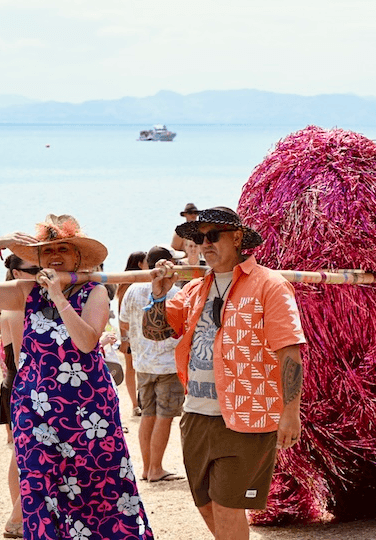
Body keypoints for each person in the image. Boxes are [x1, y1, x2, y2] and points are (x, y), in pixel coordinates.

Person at [0, 214, 152, 539]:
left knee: (99, 490)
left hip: (89, 413)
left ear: (78, 256)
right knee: (40, 491)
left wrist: (58, 295)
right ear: (40, 258)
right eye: (49, 249)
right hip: (35, 413)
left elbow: (86, 341)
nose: (56, 255)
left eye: (64, 249)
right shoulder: (26, 291)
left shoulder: (95, 292)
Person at [142, 206, 305, 540]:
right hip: (196, 416)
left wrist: (291, 412)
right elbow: (154, 331)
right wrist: (158, 295)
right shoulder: (194, 290)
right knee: (206, 505)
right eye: (200, 238)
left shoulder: (270, 285)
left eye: (213, 235)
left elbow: (290, 351)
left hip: (248, 416)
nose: (205, 244)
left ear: (237, 238)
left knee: (228, 506)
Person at [119, 245, 185, 483]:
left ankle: (147, 468)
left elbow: (124, 323)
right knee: (164, 416)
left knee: (148, 415)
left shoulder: (132, 289)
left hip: (142, 362)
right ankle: (156, 468)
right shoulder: (175, 293)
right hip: (167, 363)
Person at [0, 254, 36, 538]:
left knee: (18, 451)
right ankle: (18, 515)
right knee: (25, 452)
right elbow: (28, 357)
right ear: (14, 273)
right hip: (23, 383)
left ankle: (18, 513)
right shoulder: (18, 307)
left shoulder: (6, 304)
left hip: (11, 382)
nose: (37, 274)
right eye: (31, 270)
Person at [117, 250, 147, 415]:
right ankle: (135, 404)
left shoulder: (139, 283)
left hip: (138, 334)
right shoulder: (127, 285)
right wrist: (124, 339)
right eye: (146, 261)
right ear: (139, 264)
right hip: (130, 334)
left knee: (136, 368)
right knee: (131, 368)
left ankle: (139, 402)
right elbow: (121, 312)